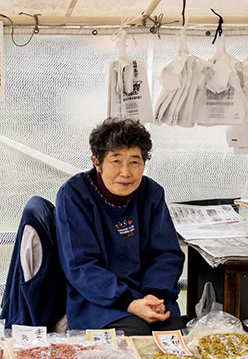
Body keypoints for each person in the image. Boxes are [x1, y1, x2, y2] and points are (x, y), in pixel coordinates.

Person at [55, 118, 186, 336]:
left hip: (151, 297)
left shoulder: (152, 193)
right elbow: (80, 264)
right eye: (116, 161)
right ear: (97, 162)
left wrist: (153, 297)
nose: (125, 172)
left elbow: (166, 254)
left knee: (174, 341)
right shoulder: (74, 194)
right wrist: (129, 302)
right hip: (98, 299)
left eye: (135, 162)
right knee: (134, 336)